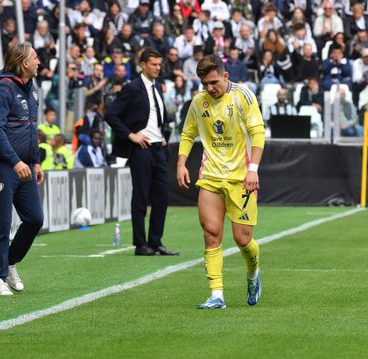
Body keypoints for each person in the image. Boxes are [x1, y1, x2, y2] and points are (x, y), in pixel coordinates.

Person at [177, 54, 265, 309]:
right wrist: (181, 163)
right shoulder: (198, 102)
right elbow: (187, 134)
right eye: (205, 84)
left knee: (242, 239)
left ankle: (253, 272)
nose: (210, 88)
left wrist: (253, 170)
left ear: (225, 76)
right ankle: (217, 294)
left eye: (214, 82)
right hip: (211, 176)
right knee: (211, 235)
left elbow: (257, 133)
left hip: (241, 179)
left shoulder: (243, 96)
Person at [0, 42, 44, 296]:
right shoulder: (2, 89)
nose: (39, 62)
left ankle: (8, 263)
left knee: (34, 219)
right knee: (1, 223)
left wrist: (35, 159)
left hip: (26, 166)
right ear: (23, 62)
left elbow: (31, 129)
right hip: (3, 166)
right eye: (35, 58)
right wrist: (15, 161)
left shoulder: (33, 90)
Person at [104, 47, 178, 257]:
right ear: (143, 65)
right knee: (141, 197)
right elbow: (111, 115)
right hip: (141, 149)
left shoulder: (157, 88)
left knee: (161, 197)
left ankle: (156, 242)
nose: (157, 68)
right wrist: (131, 135)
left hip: (158, 148)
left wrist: (162, 134)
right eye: (154, 64)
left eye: (159, 64)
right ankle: (140, 244)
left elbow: (155, 115)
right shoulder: (132, 88)